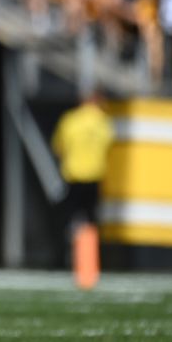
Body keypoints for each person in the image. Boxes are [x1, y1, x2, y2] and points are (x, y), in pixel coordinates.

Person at [50, 90, 116, 268]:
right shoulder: (103, 122)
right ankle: (95, 263)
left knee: (63, 220)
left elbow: (58, 148)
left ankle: (59, 260)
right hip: (94, 178)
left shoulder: (70, 120)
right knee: (93, 222)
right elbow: (109, 147)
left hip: (74, 177)